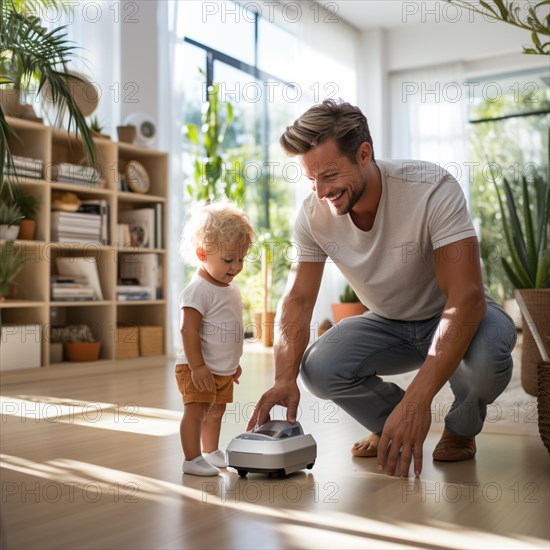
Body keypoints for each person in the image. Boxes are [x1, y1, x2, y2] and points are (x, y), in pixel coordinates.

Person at [247, 98, 516, 477]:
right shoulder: (312, 215)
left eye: (329, 175)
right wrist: (282, 378)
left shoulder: (431, 187)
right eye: (311, 179)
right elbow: (298, 298)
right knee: (319, 368)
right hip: (390, 323)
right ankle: (390, 422)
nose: (321, 191)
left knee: (487, 364)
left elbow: (466, 298)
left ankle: (459, 429)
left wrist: (420, 399)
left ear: (363, 153)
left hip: (462, 314)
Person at [176, 200, 255, 476]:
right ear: (202, 253)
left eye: (241, 259)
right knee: (197, 411)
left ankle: (210, 451)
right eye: (228, 260)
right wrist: (197, 366)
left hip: (221, 369)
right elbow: (189, 330)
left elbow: (228, 329)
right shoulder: (198, 290)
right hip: (197, 368)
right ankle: (191, 458)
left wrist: (232, 362)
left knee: (216, 411)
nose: (235, 267)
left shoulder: (229, 287)